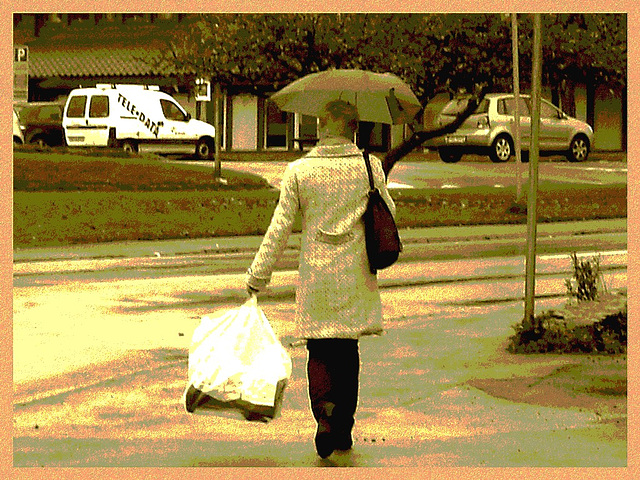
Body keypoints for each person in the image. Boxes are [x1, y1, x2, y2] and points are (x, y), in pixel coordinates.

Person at [246, 99, 396, 459]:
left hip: (316, 276)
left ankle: (324, 416)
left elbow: (279, 227)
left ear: (321, 129)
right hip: (354, 274)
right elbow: (389, 212)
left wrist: (258, 275)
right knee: (347, 350)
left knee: (320, 350)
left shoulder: (299, 171)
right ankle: (343, 425)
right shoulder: (369, 167)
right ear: (353, 130)